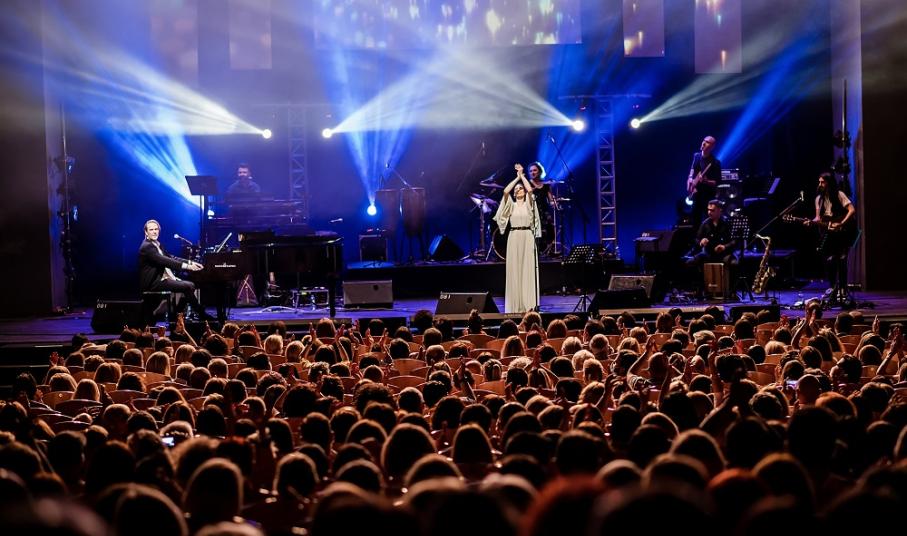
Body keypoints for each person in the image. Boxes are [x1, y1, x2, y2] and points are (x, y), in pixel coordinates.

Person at [139, 219, 213, 320]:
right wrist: (187, 267)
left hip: (161, 279)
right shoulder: (147, 247)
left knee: (189, 285)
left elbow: (171, 257)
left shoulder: (157, 245)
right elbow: (165, 261)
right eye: (151, 230)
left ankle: (179, 315)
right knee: (188, 286)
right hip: (153, 282)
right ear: (146, 232)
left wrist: (190, 262)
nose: (154, 232)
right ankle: (196, 314)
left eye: (156, 229)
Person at [493, 163, 540, 313]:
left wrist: (523, 177)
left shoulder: (528, 203)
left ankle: (528, 305)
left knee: (527, 269)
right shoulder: (511, 205)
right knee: (515, 270)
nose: (519, 190)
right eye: (517, 189)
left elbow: (530, 190)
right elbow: (505, 191)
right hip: (514, 237)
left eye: (521, 188)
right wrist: (517, 178)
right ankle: (515, 305)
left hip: (527, 236)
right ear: (514, 193)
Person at [810, 172, 856, 301]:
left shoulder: (839, 194)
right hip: (828, 233)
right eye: (819, 182)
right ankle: (832, 288)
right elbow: (818, 218)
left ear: (829, 183)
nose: (820, 184)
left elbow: (852, 210)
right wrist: (811, 222)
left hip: (842, 232)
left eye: (822, 182)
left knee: (842, 259)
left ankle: (843, 289)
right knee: (830, 260)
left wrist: (841, 223)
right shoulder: (818, 199)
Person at [687, 200, 737, 295]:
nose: (709, 212)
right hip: (709, 254)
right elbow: (697, 239)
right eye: (708, 210)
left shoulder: (727, 223)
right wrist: (701, 242)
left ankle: (731, 291)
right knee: (690, 262)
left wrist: (724, 246)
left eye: (712, 210)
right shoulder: (705, 223)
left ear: (719, 210)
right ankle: (699, 289)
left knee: (734, 263)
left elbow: (735, 241)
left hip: (724, 254)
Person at [686, 136, 721, 225]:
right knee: (695, 219)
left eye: (707, 142)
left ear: (712, 147)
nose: (704, 143)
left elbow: (718, 181)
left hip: (707, 195)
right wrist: (690, 178)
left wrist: (707, 181)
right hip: (696, 194)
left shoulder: (715, 162)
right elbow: (692, 169)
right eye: (704, 141)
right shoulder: (696, 156)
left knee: (707, 220)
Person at [526, 161, 558, 255]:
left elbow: (551, 199)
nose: (532, 172)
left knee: (550, 228)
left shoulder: (546, 185)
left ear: (539, 171)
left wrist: (554, 202)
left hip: (544, 212)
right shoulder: (527, 184)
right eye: (531, 171)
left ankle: (549, 250)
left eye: (534, 170)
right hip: (532, 212)